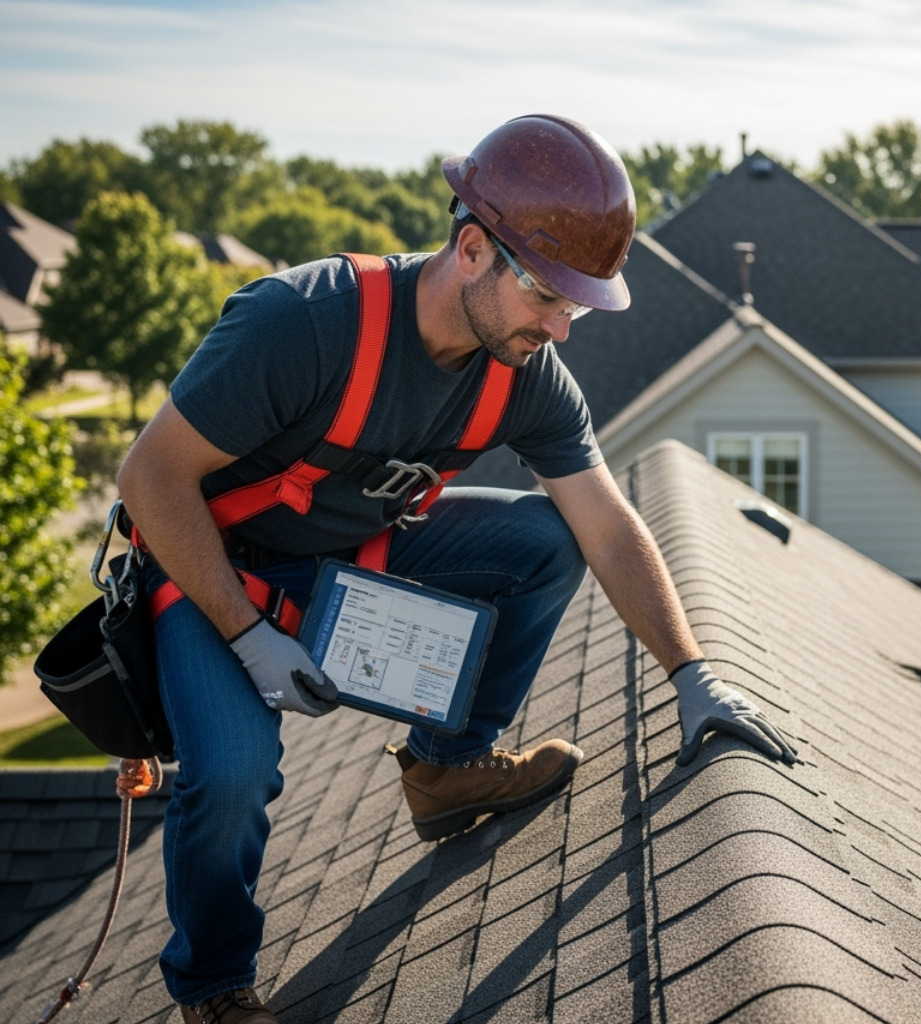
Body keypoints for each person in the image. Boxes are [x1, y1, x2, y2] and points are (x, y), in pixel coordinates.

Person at [116, 114, 796, 1024]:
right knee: (233, 773)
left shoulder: (525, 372)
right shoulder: (303, 322)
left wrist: (693, 672)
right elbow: (150, 478)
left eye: (578, 304)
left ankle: (449, 767)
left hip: (338, 559)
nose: (563, 327)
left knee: (545, 539)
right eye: (549, 297)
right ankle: (214, 989)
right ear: (472, 248)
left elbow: (606, 524)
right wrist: (245, 633)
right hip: (203, 573)